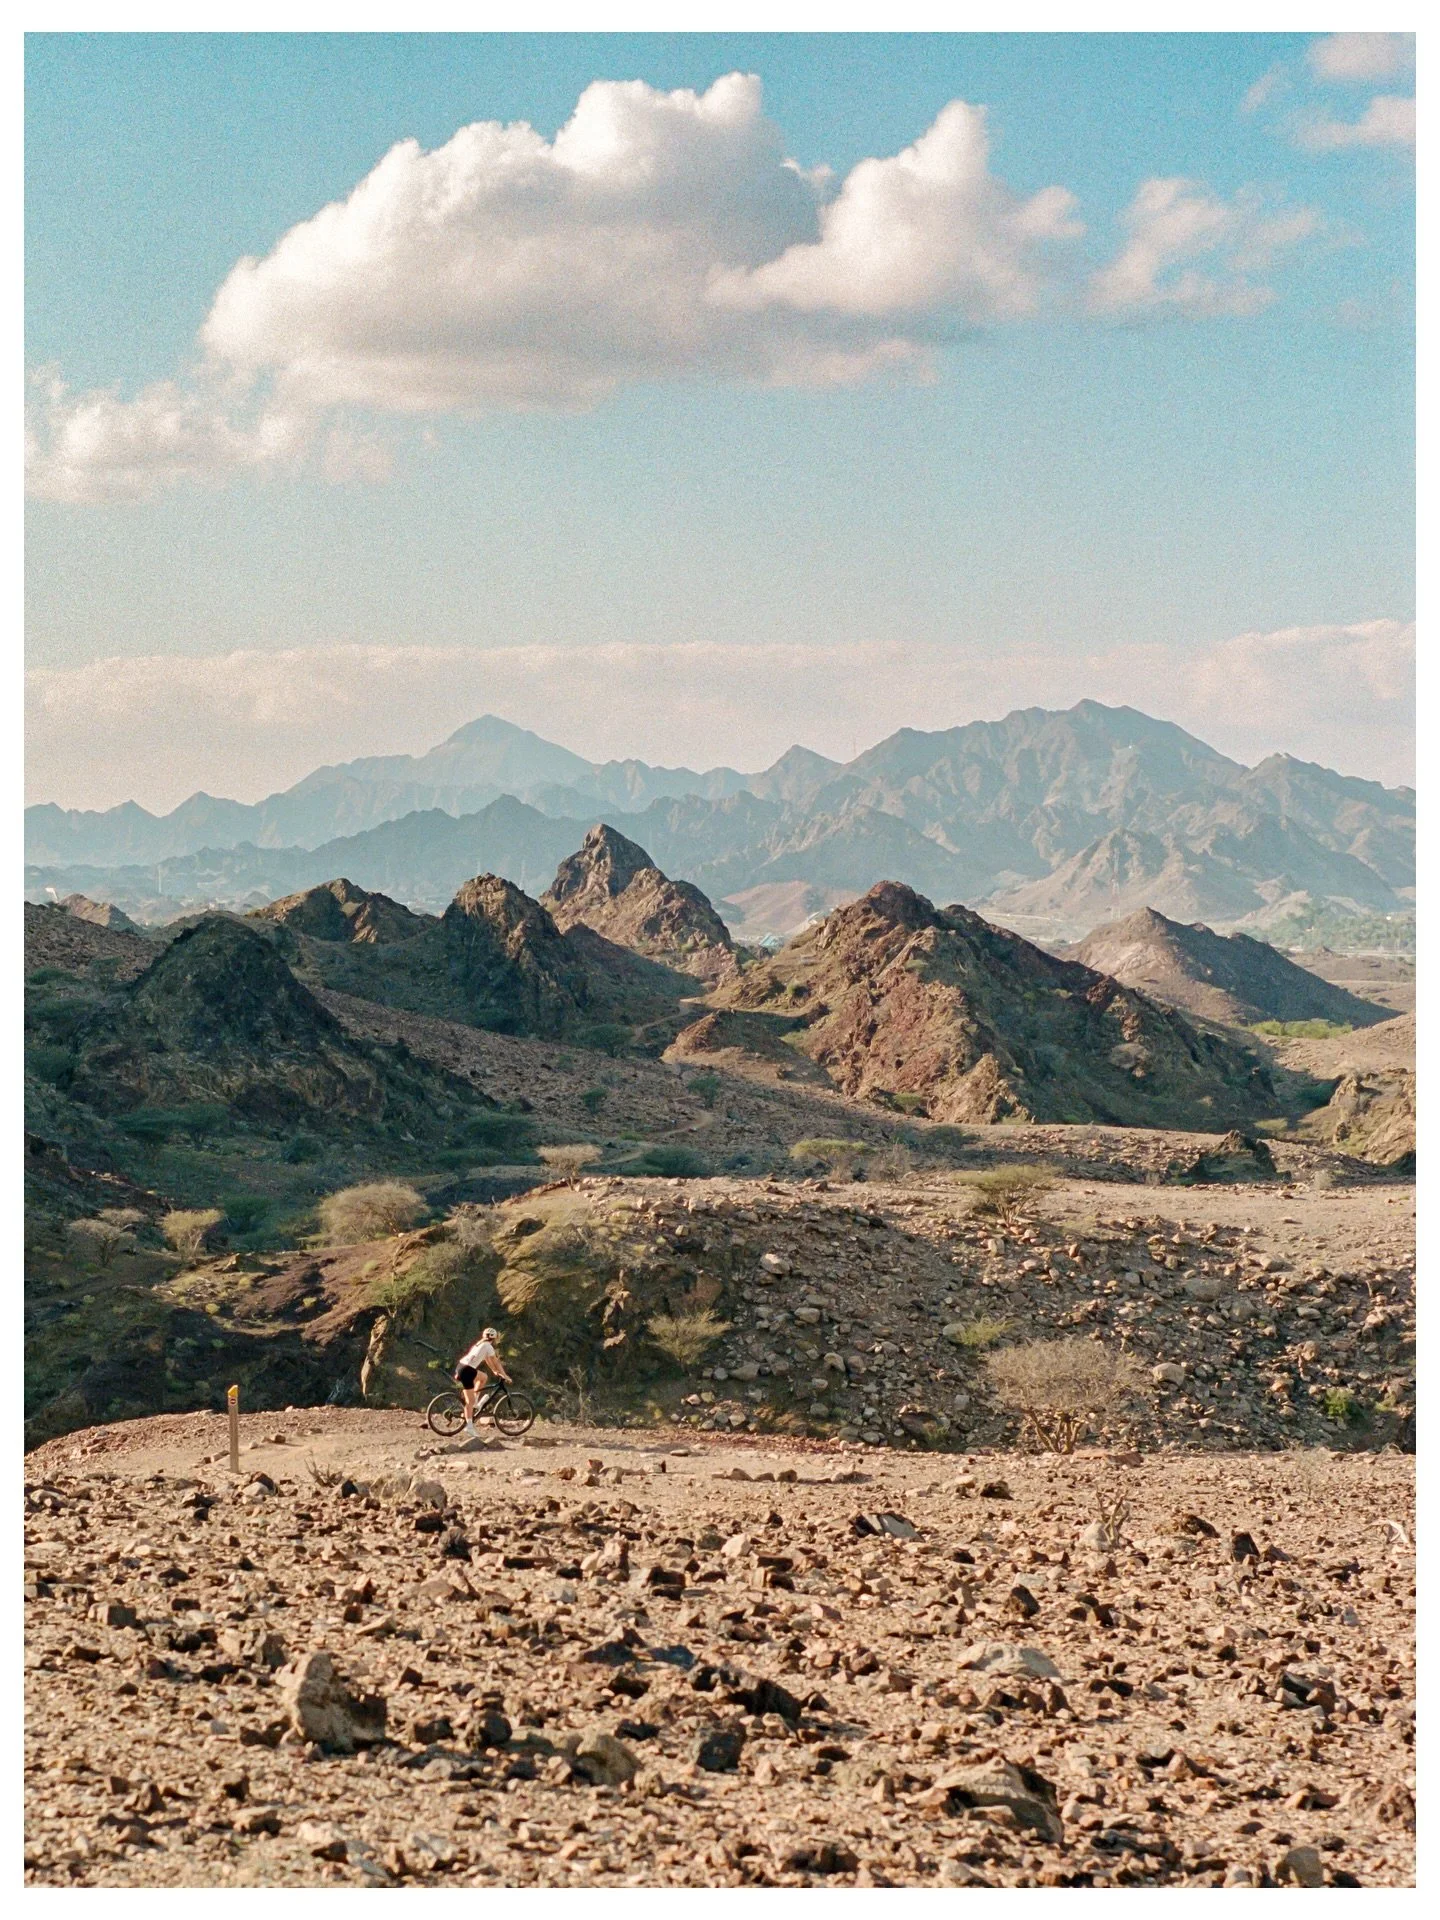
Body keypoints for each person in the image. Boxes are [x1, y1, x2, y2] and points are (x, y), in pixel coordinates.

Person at [454, 1326, 511, 1435]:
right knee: (469, 1402)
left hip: (462, 1367)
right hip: (467, 1371)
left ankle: (475, 1402)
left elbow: (487, 1359)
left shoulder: (479, 1344)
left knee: (483, 1377)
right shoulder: (488, 1346)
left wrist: (494, 1370)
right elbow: (496, 1361)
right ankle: (469, 1426)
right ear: (493, 1339)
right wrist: (505, 1375)